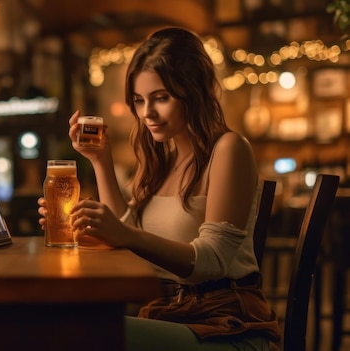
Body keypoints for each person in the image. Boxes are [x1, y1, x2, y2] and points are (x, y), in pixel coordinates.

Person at [38, 27, 281, 350]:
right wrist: (100, 162)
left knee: (82, 331)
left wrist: (124, 235)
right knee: (62, 322)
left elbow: (212, 261)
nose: (146, 114)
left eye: (161, 98)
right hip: (171, 317)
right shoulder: (161, 158)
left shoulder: (229, 149)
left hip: (227, 326)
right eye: (139, 101)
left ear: (194, 91)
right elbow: (130, 232)